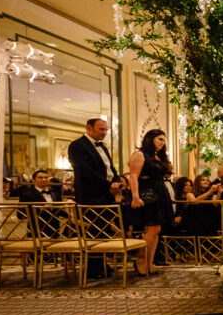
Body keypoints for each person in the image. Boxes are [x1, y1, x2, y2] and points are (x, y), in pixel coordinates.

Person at [68, 117, 121, 278]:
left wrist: (117, 181)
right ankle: (92, 269)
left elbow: (110, 168)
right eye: (101, 129)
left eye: (106, 130)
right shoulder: (77, 146)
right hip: (90, 196)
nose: (105, 133)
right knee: (93, 233)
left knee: (103, 232)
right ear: (89, 128)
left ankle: (102, 265)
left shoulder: (103, 148)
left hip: (106, 195)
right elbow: (85, 171)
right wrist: (108, 185)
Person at [128, 129, 174, 276]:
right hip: (148, 194)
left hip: (160, 193)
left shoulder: (157, 156)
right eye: (160, 139)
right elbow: (133, 176)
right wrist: (135, 196)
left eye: (163, 140)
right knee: (151, 230)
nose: (163, 142)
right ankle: (141, 262)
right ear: (151, 138)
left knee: (156, 231)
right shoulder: (139, 154)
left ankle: (149, 263)